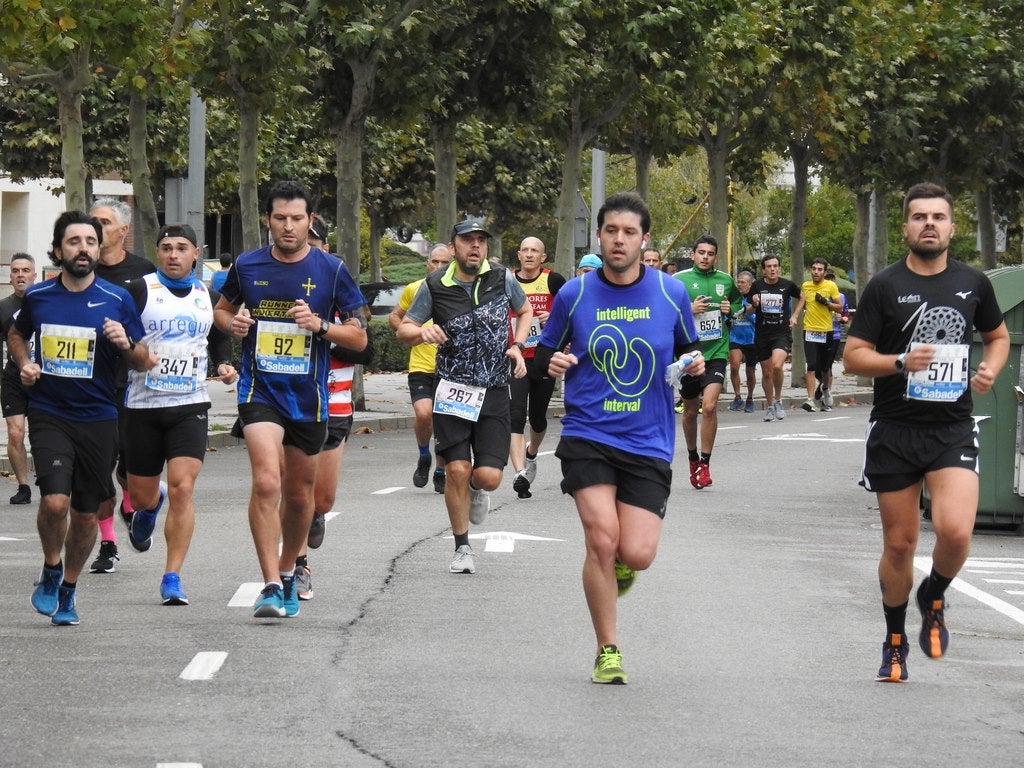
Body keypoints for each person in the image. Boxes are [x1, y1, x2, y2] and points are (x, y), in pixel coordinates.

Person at [535, 191, 702, 684]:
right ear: (600, 236)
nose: (620, 240)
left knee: (637, 553)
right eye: (611, 231)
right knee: (602, 539)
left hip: (648, 439)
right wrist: (554, 363)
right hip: (588, 432)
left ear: (643, 239)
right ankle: (608, 648)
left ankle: (622, 568)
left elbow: (691, 360)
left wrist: (695, 369)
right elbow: (541, 356)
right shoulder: (576, 295)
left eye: (630, 232)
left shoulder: (671, 293)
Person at [844, 182, 1009, 683]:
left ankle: (933, 593)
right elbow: (853, 355)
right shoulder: (884, 286)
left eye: (938, 216)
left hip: (952, 428)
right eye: (920, 217)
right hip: (895, 430)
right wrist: (898, 361)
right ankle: (894, 642)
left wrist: (991, 371)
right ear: (907, 227)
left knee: (957, 532)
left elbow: (997, 337)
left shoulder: (973, 283)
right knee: (900, 544)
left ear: (952, 227)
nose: (930, 224)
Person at [213, 180, 366, 619]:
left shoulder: (331, 269)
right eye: (279, 217)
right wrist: (233, 324)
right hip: (260, 390)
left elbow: (358, 336)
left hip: (309, 398)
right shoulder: (247, 265)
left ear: (310, 220)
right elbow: (222, 311)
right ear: (267, 220)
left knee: (301, 497)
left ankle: (287, 570)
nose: (288, 225)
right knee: (266, 481)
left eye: (297, 218)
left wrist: (320, 326)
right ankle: (269, 584)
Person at [12, 210, 152, 625]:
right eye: (74, 242)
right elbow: (16, 332)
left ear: (99, 248)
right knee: (55, 500)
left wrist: (125, 342)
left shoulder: (116, 299)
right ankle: (51, 567)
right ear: (58, 250)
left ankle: (69, 588)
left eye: (90, 241)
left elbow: (143, 359)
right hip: (50, 411)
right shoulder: (38, 297)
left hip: (99, 416)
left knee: (87, 513)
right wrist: (24, 363)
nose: (83, 249)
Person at [396, 219, 532, 575]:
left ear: (486, 247)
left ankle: (477, 487)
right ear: (454, 246)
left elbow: (525, 310)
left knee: (487, 476)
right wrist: (423, 331)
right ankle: (462, 548)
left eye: (480, 241)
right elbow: (406, 328)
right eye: (467, 240)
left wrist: (517, 345)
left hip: (494, 390)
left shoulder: (502, 279)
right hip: (453, 390)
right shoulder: (434, 285)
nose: (475, 246)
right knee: (456, 468)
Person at [121, 224, 237, 604]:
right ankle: (149, 505)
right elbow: (118, 336)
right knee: (140, 495)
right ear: (158, 253)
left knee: (185, 488)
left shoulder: (208, 295)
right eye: (166, 248)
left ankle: (172, 577)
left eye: (181, 248)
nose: (173, 254)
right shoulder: (139, 290)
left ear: (195, 253)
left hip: (190, 404)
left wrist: (223, 364)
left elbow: (218, 337)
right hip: (141, 405)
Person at [87, 197, 157, 574]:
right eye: (92, 220)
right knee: (99, 470)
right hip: (91, 385)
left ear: (123, 231)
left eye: (104, 222)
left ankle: (132, 505)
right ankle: (108, 543)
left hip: (134, 384)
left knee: (129, 470)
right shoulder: (80, 269)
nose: (95, 228)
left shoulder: (144, 273)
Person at [674, 236, 741, 489]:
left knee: (710, 407)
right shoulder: (679, 280)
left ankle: (705, 463)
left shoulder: (725, 279)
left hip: (717, 351)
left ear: (715, 256)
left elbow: (736, 301)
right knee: (691, 411)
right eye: (700, 252)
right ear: (693, 254)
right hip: (689, 355)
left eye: (710, 253)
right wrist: (688, 310)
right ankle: (692, 458)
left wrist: (729, 309)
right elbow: (666, 308)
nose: (705, 257)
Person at [388, 244, 452, 494]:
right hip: (421, 365)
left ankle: (440, 469)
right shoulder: (416, 288)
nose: (438, 267)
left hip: (452, 367)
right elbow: (396, 317)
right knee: (424, 414)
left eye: (444, 263)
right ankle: (424, 455)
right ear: (427, 263)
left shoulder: (458, 290)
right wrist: (410, 333)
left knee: (446, 422)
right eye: (434, 262)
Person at [509, 236, 566, 499]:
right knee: (516, 416)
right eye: (525, 250)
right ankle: (520, 473)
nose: (529, 255)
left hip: (543, 358)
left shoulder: (553, 281)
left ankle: (531, 454)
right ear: (519, 255)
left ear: (543, 257)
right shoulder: (507, 281)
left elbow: (570, 312)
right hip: (516, 358)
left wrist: (552, 317)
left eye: (535, 251)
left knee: (538, 417)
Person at [1, 253, 37, 505]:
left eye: (26, 270)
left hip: (42, 378)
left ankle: (47, 476)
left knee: (41, 432)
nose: (21, 274)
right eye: (16, 270)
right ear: (10, 276)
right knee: (15, 433)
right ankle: (23, 485)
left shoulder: (45, 302)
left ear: (34, 275)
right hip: (13, 377)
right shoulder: (3, 307)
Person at [747, 254, 800, 421]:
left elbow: (802, 297)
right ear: (763, 270)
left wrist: (795, 315)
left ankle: (778, 400)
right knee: (767, 372)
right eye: (769, 266)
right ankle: (770, 406)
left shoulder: (787, 285)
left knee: (777, 366)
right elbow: (749, 309)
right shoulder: (757, 285)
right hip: (762, 333)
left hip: (781, 333)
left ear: (779, 268)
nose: (772, 269)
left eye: (775, 266)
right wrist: (754, 304)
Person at [792, 257, 842, 412]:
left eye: (820, 269)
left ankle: (825, 389)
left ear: (824, 272)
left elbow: (840, 307)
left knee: (826, 368)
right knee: (811, 365)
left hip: (826, 331)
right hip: (810, 329)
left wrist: (826, 303)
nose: (816, 272)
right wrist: (794, 316)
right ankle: (810, 400)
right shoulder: (806, 286)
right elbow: (801, 302)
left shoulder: (831, 286)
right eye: (814, 269)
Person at [727, 269, 758, 414]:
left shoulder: (755, 300)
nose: (739, 285)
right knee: (734, 367)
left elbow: (756, 319)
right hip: (735, 338)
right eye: (738, 282)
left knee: (750, 372)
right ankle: (737, 396)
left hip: (751, 339)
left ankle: (750, 398)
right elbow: (728, 316)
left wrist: (747, 310)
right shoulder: (734, 299)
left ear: (750, 285)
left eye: (743, 282)